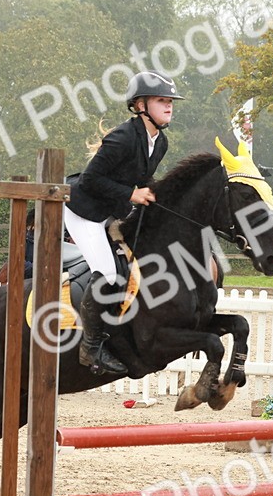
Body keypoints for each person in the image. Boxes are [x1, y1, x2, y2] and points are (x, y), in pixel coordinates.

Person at [64, 71, 184, 374]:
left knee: (134, 266)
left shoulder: (160, 142)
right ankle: (89, 350)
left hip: (112, 211)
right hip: (84, 212)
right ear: (141, 105)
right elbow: (91, 180)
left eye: (170, 101)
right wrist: (132, 193)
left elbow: (144, 181)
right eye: (162, 101)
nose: (169, 106)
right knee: (105, 272)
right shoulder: (122, 137)